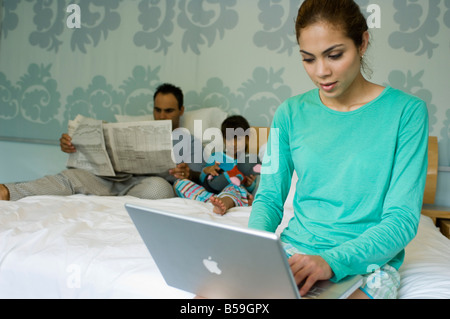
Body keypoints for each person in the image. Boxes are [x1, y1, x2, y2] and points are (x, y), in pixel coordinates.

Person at [248, 0, 429, 299]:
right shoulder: (289, 113)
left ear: (362, 43)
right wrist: (252, 247)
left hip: (365, 261)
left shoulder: (406, 113)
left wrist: (331, 262)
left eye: (334, 55)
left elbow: (402, 219)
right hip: (295, 249)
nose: (321, 71)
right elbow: (268, 197)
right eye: (308, 59)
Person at [0, 83, 203, 201]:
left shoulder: (187, 141)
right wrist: (73, 145)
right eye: (157, 110)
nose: (161, 116)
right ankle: (8, 191)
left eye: (168, 111)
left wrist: (188, 174)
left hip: (144, 187)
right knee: (70, 177)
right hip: (110, 180)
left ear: (181, 111)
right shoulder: (136, 130)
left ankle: (114, 209)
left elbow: (205, 178)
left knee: (160, 189)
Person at [174, 115, 261, 215]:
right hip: (210, 192)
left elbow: (250, 188)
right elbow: (203, 180)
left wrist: (249, 184)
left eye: (238, 139)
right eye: (229, 139)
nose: (234, 143)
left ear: (247, 138)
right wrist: (207, 170)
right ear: (224, 139)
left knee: (234, 187)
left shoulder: (249, 161)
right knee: (179, 183)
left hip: (232, 191)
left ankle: (224, 202)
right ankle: (212, 201)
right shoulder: (216, 156)